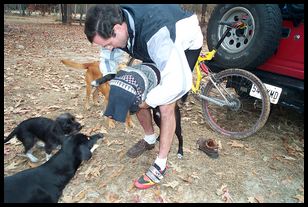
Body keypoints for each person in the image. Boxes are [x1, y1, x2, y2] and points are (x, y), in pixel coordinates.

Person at [84, 4, 203, 189]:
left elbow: (176, 83)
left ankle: (161, 164)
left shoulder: (157, 35)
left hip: (183, 41)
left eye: (107, 43)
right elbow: (107, 55)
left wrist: (147, 102)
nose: (107, 48)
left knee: (165, 104)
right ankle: (149, 138)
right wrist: (112, 77)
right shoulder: (114, 22)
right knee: (135, 90)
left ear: (118, 28)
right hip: (151, 45)